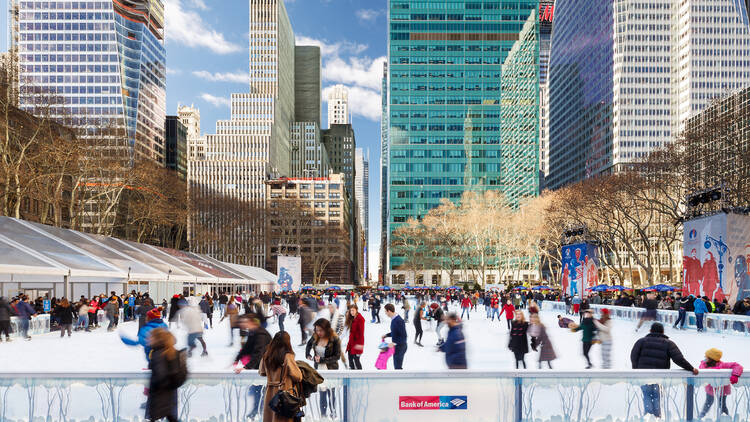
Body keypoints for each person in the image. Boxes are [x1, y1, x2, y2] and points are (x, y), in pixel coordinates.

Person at [630, 323, 699, 419]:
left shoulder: (641, 342)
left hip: (644, 376)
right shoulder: (668, 343)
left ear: (650, 331)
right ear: (662, 332)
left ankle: (648, 418)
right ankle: (657, 418)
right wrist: (691, 368)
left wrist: (637, 370)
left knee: (647, 396)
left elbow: (634, 356)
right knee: (657, 397)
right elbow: (678, 359)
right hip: (660, 377)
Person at [234, 314, 272, 421]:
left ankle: (260, 413)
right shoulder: (253, 332)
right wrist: (236, 359)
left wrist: (246, 368)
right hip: (259, 367)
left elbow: (258, 353)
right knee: (257, 390)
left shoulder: (261, 335)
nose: (242, 324)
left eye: (244, 322)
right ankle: (257, 411)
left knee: (260, 390)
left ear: (251, 322)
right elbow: (247, 348)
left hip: (266, 369)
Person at [259, 331, 303, 422]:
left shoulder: (267, 355)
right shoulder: (288, 356)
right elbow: (298, 376)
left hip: (270, 393)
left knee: (271, 417)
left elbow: (262, 372)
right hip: (284, 393)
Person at [146, 328, 186, 422]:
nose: (148, 339)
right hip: (169, 395)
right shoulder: (170, 351)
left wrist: (154, 386)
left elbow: (160, 374)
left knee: (158, 417)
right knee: (170, 417)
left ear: (157, 339)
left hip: (159, 395)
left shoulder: (157, 353)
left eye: (150, 337)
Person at [305, 318, 341, 419]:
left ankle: (333, 413)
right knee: (322, 392)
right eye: (316, 330)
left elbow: (337, 356)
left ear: (327, 329)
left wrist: (322, 360)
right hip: (319, 369)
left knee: (331, 392)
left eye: (321, 330)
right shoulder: (315, 336)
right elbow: (308, 344)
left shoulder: (335, 339)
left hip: (331, 369)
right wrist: (307, 353)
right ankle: (323, 415)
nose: (318, 332)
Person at [697, 348, 743, 418]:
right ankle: (700, 417)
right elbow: (701, 369)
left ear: (711, 358)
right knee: (708, 403)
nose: (704, 358)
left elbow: (737, 366)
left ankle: (725, 417)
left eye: (706, 357)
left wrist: (735, 375)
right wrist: (704, 363)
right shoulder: (704, 365)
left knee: (722, 404)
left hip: (722, 388)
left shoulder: (722, 365)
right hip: (710, 388)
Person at [382, 303, 407, 370]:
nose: (385, 313)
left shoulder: (398, 320)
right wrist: (386, 335)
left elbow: (404, 336)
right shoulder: (394, 319)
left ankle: (400, 380)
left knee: (398, 368)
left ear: (389, 311)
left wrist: (394, 343)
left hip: (400, 347)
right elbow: (395, 332)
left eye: (385, 311)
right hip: (397, 347)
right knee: (396, 366)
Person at [345, 304, 365, 370]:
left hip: (357, 343)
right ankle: (352, 372)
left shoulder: (360, 319)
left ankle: (360, 374)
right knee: (350, 358)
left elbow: (361, 334)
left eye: (353, 310)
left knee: (356, 360)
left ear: (357, 310)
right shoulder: (353, 318)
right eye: (351, 311)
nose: (352, 312)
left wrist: (359, 346)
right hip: (351, 343)